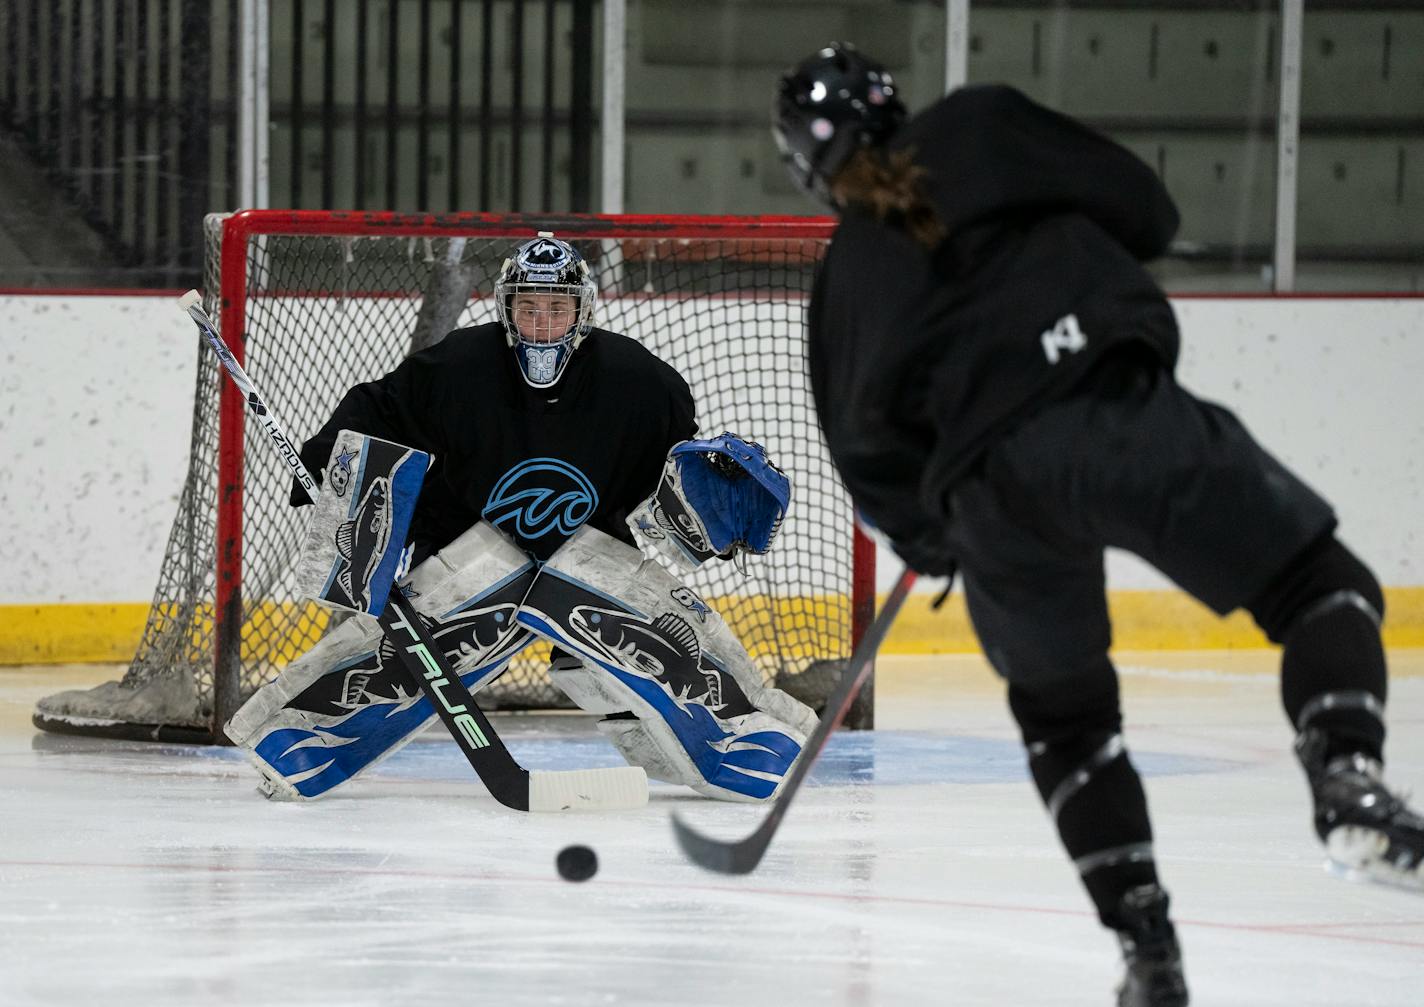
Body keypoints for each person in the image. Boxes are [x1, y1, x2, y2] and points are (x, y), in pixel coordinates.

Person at [772, 42, 1424, 1007]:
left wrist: (938, 533)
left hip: (988, 499)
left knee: (1068, 729)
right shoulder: (981, 123)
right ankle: (1347, 779)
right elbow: (1146, 207)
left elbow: (869, 464)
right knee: (1321, 585)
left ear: (804, 165)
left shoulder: (841, 285)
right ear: (890, 103)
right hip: (1111, 408)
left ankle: (1146, 947)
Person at [224, 232, 816, 804]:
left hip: (583, 557)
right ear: (507, 310)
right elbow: (379, 411)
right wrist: (327, 461)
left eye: (556, 309)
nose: (541, 323)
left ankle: (741, 739)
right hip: (468, 552)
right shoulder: (457, 367)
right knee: (401, 653)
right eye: (528, 308)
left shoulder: (638, 381)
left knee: (665, 635)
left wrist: (705, 509)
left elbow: (668, 479)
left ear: (581, 312)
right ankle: (295, 737)